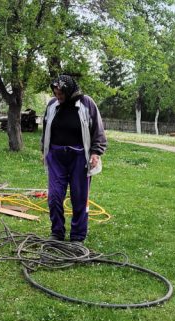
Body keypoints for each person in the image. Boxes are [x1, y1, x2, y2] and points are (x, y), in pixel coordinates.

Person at [41, 75, 107, 243]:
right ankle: (57, 233)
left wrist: (95, 152)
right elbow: (46, 129)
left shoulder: (86, 103)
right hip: (56, 157)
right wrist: (45, 151)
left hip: (79, 157)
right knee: (55, 197)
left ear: (69, 91)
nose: (58, 97)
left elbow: (98, 131)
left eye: (61, 94)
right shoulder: (52, 105)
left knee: (79, 197)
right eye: (55, 93)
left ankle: (77, 236)